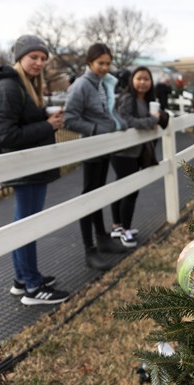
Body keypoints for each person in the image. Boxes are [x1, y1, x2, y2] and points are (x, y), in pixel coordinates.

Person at [0, 34, 70, 305]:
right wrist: (48, 126)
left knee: (23, 224)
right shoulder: (8, 87)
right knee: (26, 227)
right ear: (20, 57)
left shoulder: (24, 85)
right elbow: (6, 135)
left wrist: (47, 122)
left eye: (43, 58)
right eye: (34, 57)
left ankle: (23, 279)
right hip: (25, 168)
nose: (39, 63)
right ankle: (33, 289)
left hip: (32, 167)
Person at [64, 43, 128, 271]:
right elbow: (69, 119)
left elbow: (108, 113)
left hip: (104, 147)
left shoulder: (103, 84)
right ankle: (89, 249)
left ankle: (102, 238)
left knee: (99, 192)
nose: (104, 67)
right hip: (91, 148)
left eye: (108, 63)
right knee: (89, 195)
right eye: (100, 63)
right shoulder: (81, 86)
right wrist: (97, 130)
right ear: (89, 62)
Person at [110, 66, 169, 245]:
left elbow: (156, 118)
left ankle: (118, 226)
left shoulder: (148, 101)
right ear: (132, 80)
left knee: (124, 188)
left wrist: (156, 118)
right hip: (123, 153)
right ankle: (124, 230)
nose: (142, 82)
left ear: (151, 82)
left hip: (136, 151)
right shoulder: (128, 98)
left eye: (146, 79)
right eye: (139, 78)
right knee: (130, 190)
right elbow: (127, 121)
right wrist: (152, 120)